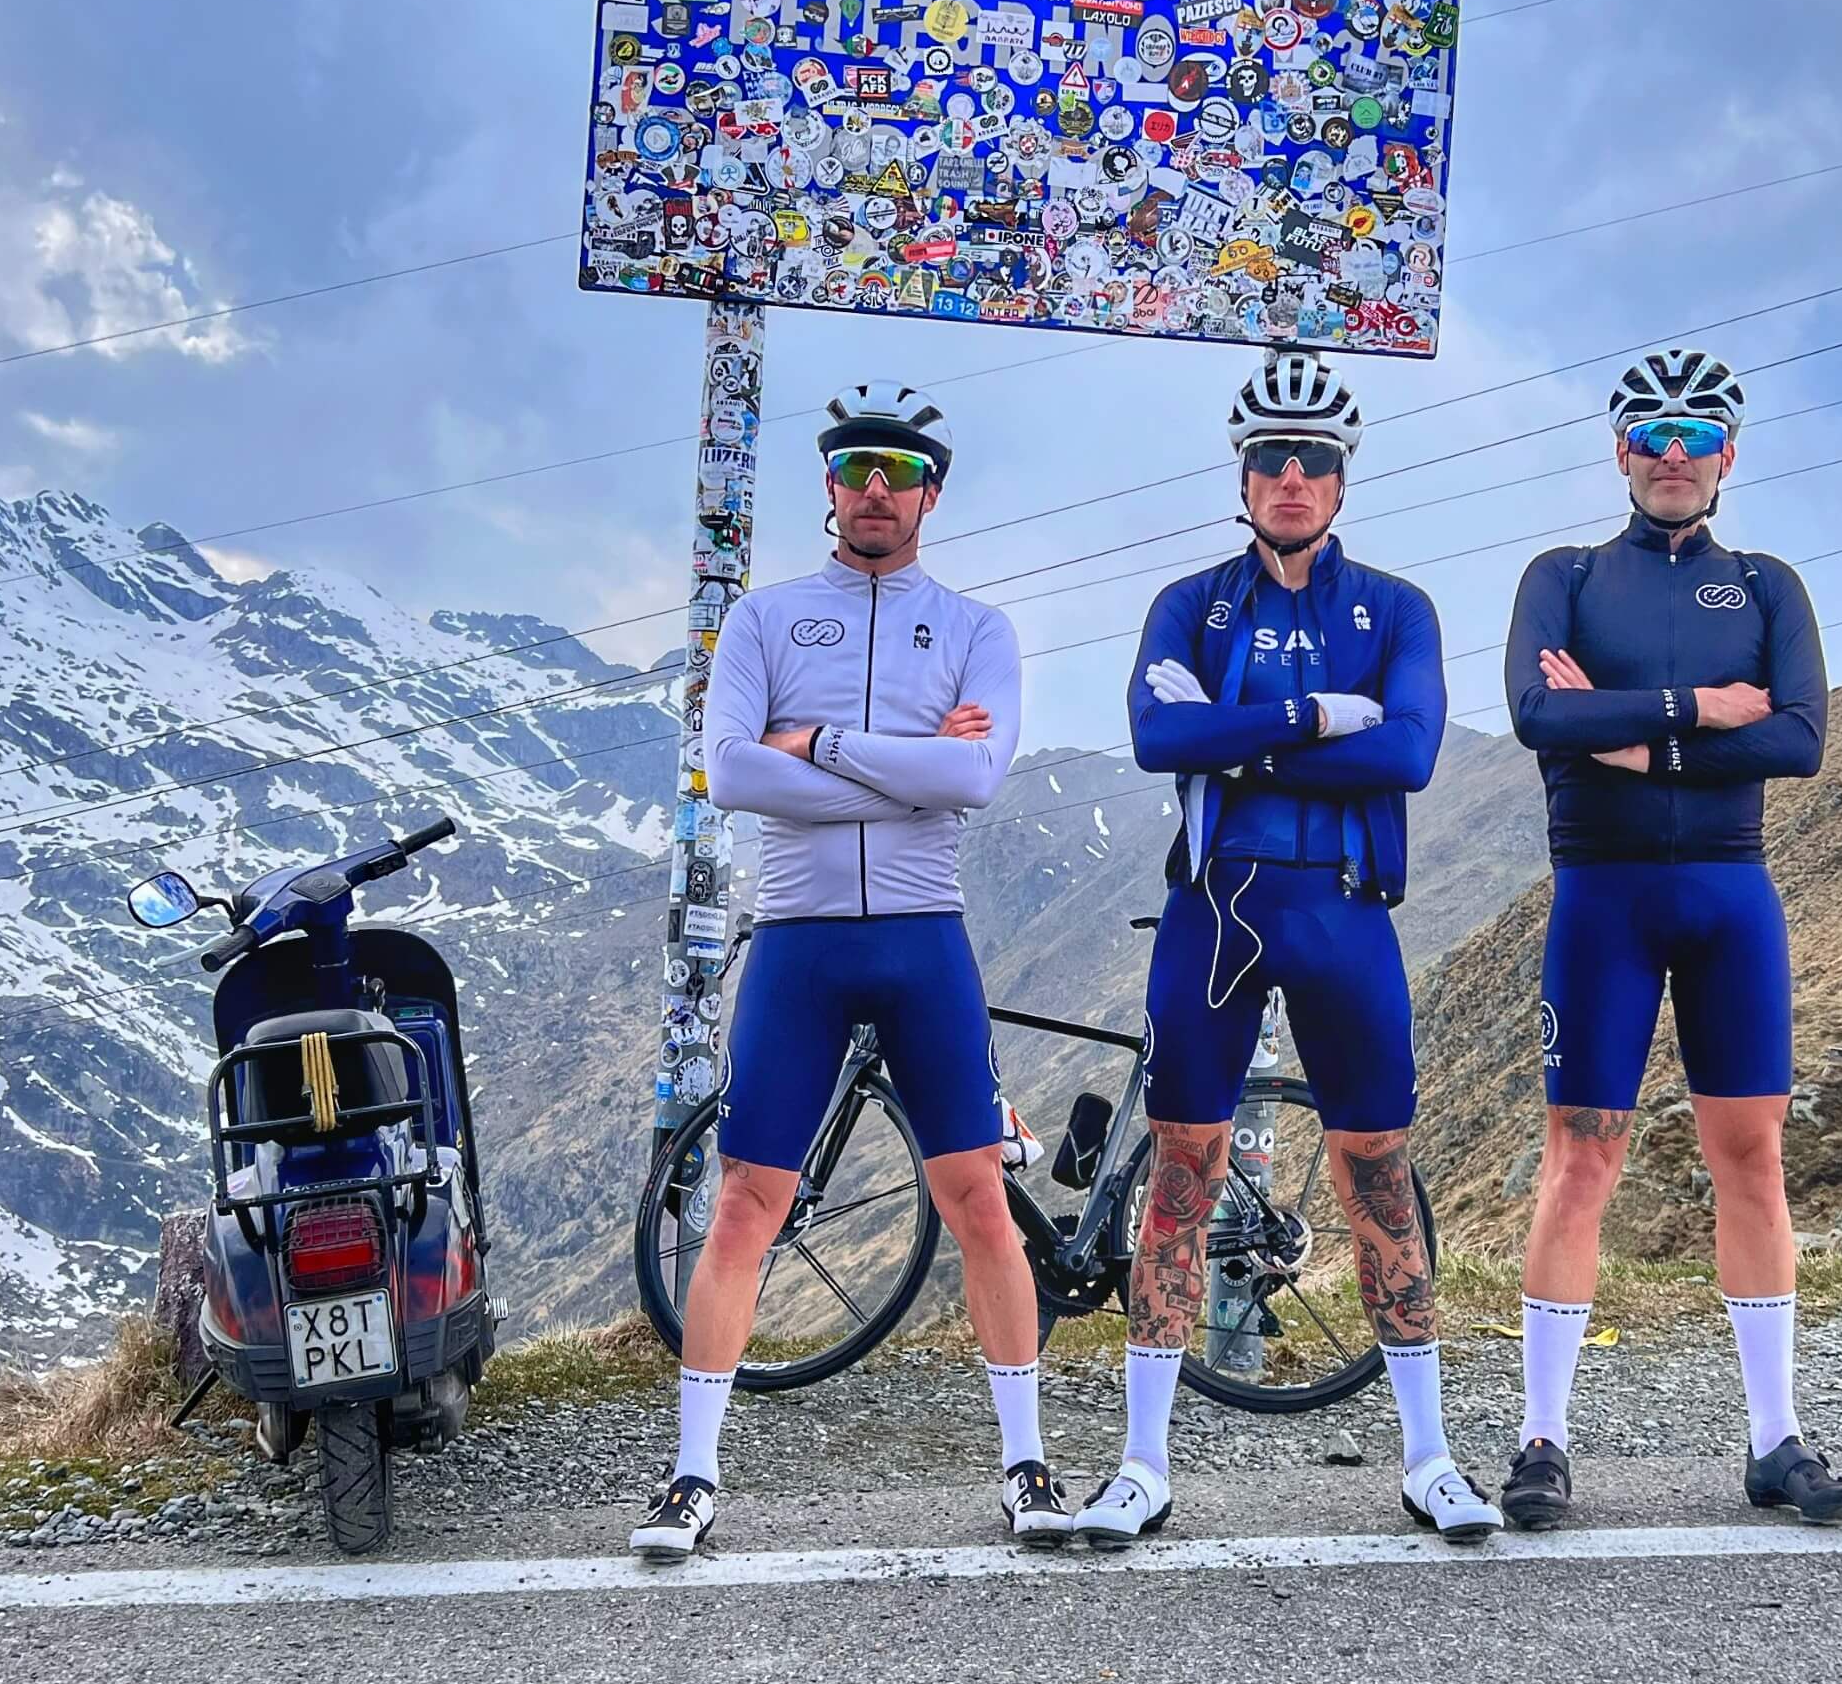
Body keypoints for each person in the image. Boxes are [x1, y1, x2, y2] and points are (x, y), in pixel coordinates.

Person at [630, 380, 1071, 1557]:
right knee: (745, 1205)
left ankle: (1028, 1467)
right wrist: (908, 766)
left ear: (931, 494)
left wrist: (818, 744)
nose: (878, 490)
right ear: (828, 486)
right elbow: (732, 774)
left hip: (924, 938)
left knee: (977, 1198)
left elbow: (974, 780)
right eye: (857, 470)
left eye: (902, 472)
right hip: (801, 941)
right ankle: (690, 1478)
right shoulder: (766, 622)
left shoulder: (976, 629)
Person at [1073, 350, 1502, 1549]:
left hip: (1343, 912)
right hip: (1214, 908)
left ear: (1342, 479)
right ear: (1244, 477)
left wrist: (1236, 737)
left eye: (1314, 460)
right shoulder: (1190, 604)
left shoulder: (1397, 609)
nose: (1293, 477)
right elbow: (1158, 738)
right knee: (1181, 1172)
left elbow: (1408, 752)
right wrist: (1315, 719)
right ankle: (1142, 1467)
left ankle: (1429, 1458)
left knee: (1376, 1170)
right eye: (1272, 460)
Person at [1499, 345, 1842, 1528]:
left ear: (1727, 458)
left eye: (1695, 436)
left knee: (1751, 1158)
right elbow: (1537, 714)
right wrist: (1698, 711)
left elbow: (1800, 739)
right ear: (1619, 452)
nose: (1672, 453)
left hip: (1728, 896)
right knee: (1580, 1158)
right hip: (1601, 897)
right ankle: (1542, 1440)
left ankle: (1775, 1440)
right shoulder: (1564, 576)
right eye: (1650, 435)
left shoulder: (1765, 586)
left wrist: (1628, 742)